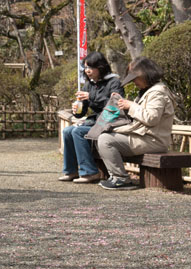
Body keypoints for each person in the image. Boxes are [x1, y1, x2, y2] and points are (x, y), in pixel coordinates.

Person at [97, 57, 175, 190]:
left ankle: (120, 179)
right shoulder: (149, 90)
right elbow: (141, 116)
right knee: (102, 135)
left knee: (105, 140)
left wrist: (131, 106)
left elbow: (151, 118)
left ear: (145, 75)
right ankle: (116, 177)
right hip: (146, 137)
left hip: (153, 140)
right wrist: (123, 104)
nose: (134, 82)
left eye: (135, 79)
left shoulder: (158, 93)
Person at [58, 51, 123, 183]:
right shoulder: (89, 84)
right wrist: (77, 110)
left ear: (100, 67)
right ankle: (71, 171)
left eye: (91, 67)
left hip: (110, 120)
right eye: (86, 67)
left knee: (78, 132)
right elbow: (83, 111)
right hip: (95, 120)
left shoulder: (114, 82)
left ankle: (90, 172)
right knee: (67, 131)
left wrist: (90, 96)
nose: (87, 71)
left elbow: (115, 105)